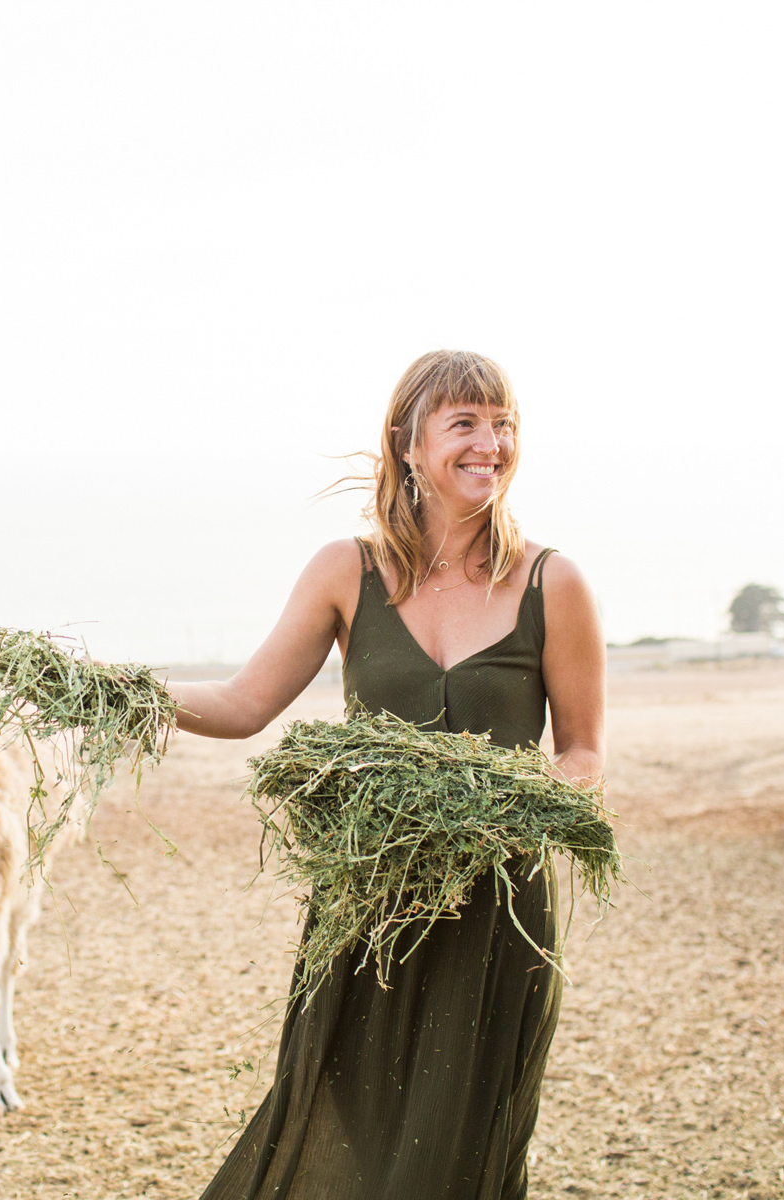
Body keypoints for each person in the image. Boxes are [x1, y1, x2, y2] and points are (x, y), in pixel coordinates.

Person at [167, 350, 606, 1200]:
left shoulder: (555, 581)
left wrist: (523, 808)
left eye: (504, 423)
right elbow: (242, 701)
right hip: (370, 901)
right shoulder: (347, 570)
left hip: (498, 905)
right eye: (466, 423)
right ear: (409, 444)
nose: (492, 443)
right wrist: (127, 694)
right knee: (335, 1110)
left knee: (467, 1138)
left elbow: (582, 754)